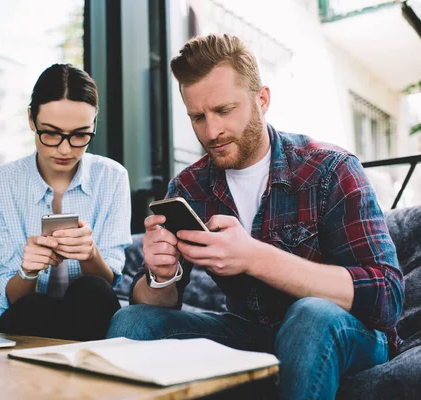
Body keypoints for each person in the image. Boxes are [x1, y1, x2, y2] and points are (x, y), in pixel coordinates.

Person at [106, 34, 404, 399]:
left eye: (224, 110)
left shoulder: (329, 169)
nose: (211, 131)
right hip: (248, 333)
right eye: (197, 117)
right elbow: (158, 304)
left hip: (344, 332)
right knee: (131, 321)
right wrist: (160, 276)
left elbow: (386, 296)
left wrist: (253, 257)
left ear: (261, 100)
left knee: (311, 315)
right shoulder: (189, 187)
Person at [0, 64, 132, 341]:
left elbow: (108, 284)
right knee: (34, 307)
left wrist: (90, 253)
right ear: (31, 120)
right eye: (50, 133)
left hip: (92, 315)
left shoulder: (112, 177)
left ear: (94, 124)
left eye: (80, 135)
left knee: (92, 290)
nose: (64, 149)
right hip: (25, 317)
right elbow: (12, 296)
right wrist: (27, 271)